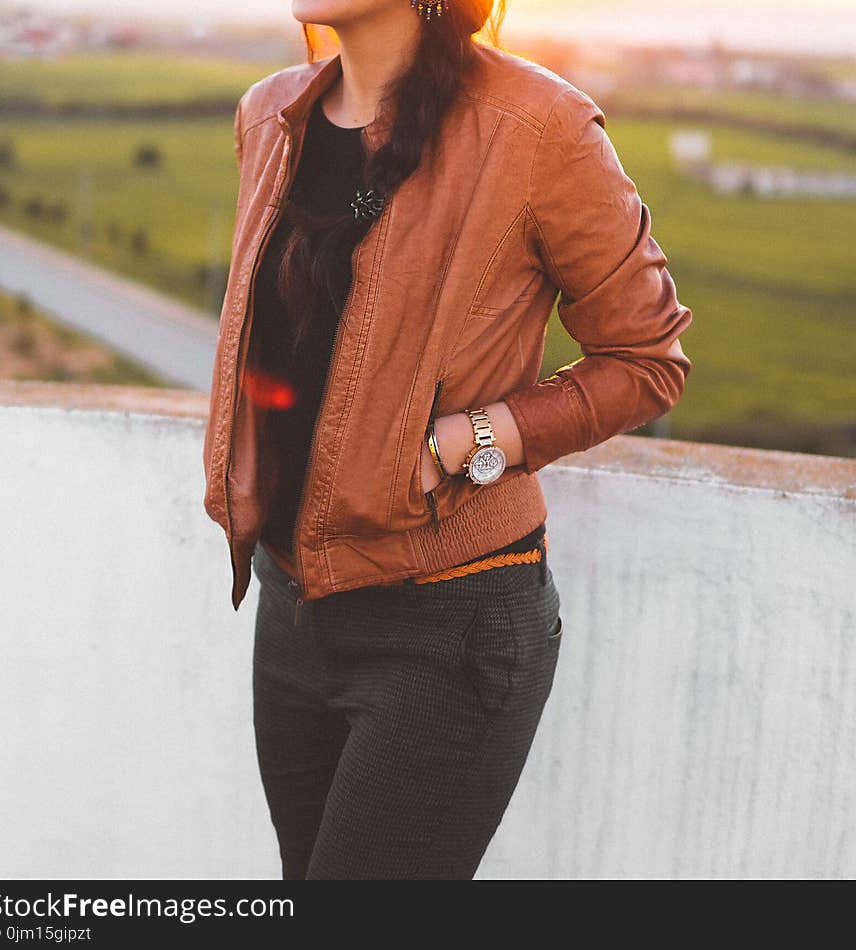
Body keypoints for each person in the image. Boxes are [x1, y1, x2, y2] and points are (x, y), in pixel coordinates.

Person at [202, 0, 693, 879]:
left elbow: (646, 357)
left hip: (447, 624)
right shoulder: (271, 115)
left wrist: (473, 437)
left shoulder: (538, 127)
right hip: (291, 605)